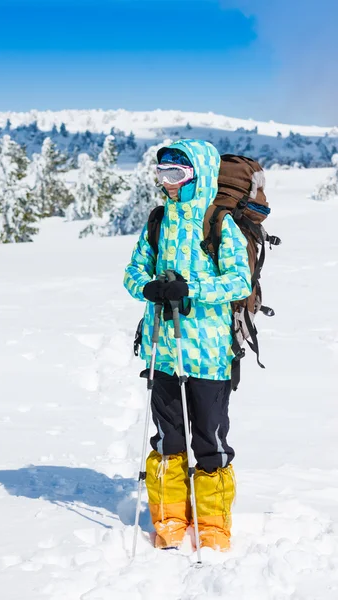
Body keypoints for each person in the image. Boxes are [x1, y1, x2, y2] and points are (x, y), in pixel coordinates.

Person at [124, 140, 252, 551]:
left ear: (197, 175)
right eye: (162, 174)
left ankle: (213, 527)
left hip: (210, 354)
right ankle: (169, 521)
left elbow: (239, 282)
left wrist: (190, 290)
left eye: (176, 175)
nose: (168, 184)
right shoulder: (158, 222)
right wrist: (147, 287)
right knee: (167, 440)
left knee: (210, 442)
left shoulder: (219, 223)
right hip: (163, 348)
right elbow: (132, 271)